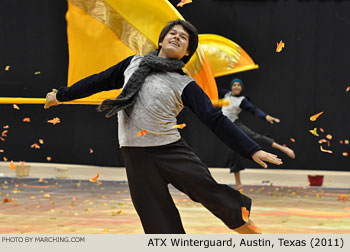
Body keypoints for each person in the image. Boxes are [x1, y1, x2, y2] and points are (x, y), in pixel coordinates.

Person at [44, 19, 282, 234]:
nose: (176, 37)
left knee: (206, 188)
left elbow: (215, 119)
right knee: (154, 216)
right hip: (134, 153)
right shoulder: (133, 64)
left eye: (183, 38)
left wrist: (252, 149)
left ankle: (244, 227)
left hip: (170, 150)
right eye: (173, 33)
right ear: (161, 39)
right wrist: (62, 95)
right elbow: (97, 81)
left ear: (187, 52)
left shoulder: (185, 83)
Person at [219, 78, 295, 189]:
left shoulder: (242, 100)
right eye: (234, 85)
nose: (236, 86)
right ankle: (238, 183)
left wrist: (266, 117)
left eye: (238, 85)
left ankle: (283, 149)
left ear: (241, 88)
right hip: (225, 126)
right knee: (233, 152)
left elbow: (253, 110)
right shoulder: (225, 94)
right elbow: (211, 88)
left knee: (253, 137)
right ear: (231, 87)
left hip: (235, 124)